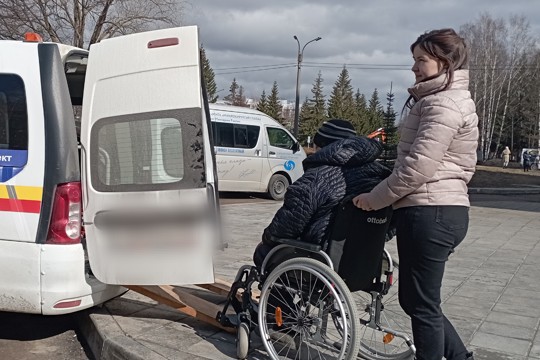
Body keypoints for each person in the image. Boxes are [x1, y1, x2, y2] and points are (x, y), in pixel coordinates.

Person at [352, 28, 477, 360]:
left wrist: (374, 198)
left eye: (421, 60)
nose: (414, 67)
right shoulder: (441, 100)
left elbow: (417, 168)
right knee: (417, 300)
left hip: (430, 213)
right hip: (438, 211)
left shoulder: (443, 105)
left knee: (422, 304)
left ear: (445, 61)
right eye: (414, 60)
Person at [252, 119, 392, 268]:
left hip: (322, 259)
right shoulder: (380, 174)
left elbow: (288, 223)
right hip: (363, 261)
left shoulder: (317, 177)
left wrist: (268, 237)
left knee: (264, 252)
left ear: (323, 146)